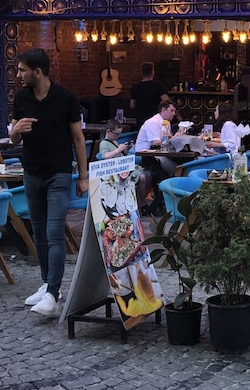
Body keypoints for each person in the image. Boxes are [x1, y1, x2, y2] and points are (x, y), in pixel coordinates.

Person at [10, 48, 89, 318]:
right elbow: (13, 138)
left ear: (38, 72)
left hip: (59, 173)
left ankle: (53, 294)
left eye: (22, 70)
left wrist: (83, 176)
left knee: (54, 232)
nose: (19, 75)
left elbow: (78, 139)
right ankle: (47, 284)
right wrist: (16, 131)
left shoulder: (65, 98)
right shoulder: (22, 98)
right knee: (39, 231)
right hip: (31, 172)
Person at [98, 118, 152, 212]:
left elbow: (119, 156)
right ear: (108, 131)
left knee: (150, 172)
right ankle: (141, 202)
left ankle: (139, 197)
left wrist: (125, 150)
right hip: (116, 171)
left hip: (124, 166)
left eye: (119, 134)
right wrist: (118, 149)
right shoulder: (104, 143)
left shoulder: (114, 142)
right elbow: (105, 156)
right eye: (116, 134)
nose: (117, 136)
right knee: (142, 177)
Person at [135, 99, 180, 179]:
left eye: (174, 111)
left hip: (161, 153)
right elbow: (155, 143)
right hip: (147, 154)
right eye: (172, 110)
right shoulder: (153, 122)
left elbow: (168, 139)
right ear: (163, 110)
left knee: (180, 163)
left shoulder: (167, 123)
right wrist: (173, 139)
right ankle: (168, 182)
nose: (174, 113)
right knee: (176, 169)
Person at [130, 62, 169, 128]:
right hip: (155, 119)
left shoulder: (135, 87)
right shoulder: (158, 85)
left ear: (141, 73)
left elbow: (132, 105)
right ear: (152, 72)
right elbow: (166, 102)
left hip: (141, 119)